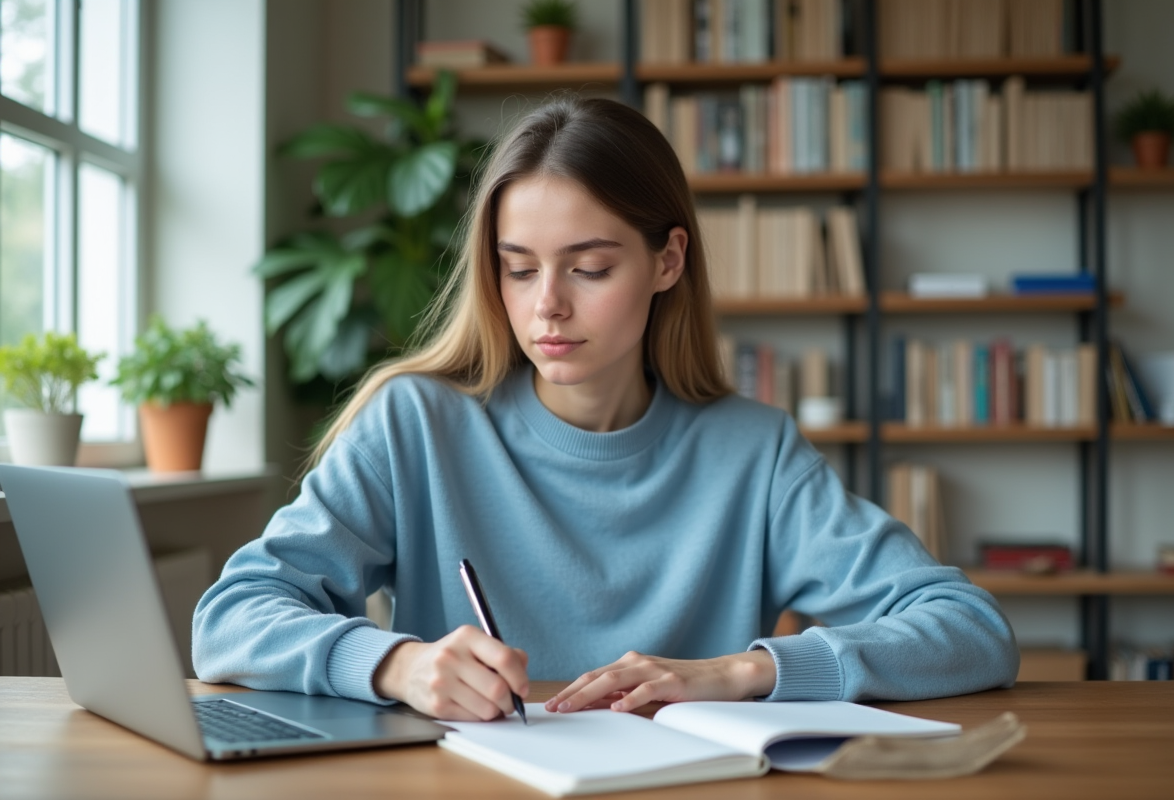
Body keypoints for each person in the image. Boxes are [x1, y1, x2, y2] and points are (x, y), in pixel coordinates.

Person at [193, 96, 1018, 723]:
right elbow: (229, 619)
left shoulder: (752, 453)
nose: (546, 306)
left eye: (587, 268)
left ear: (667, 260)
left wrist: (743, 671)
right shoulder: (416, 423)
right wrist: (395, 666)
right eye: (518, 269)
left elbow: (970, 628)